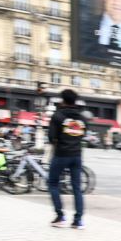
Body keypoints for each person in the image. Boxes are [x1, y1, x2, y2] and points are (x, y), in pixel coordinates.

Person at [46, 89, 87, 229]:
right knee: (76, 187)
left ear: (63, 100)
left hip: (61, 154)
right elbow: (82, 135)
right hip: (77, 155)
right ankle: (78, 220)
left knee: (52, 183)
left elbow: (51, 137)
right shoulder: (82, 118)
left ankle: (60, 216)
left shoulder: (57, 116)